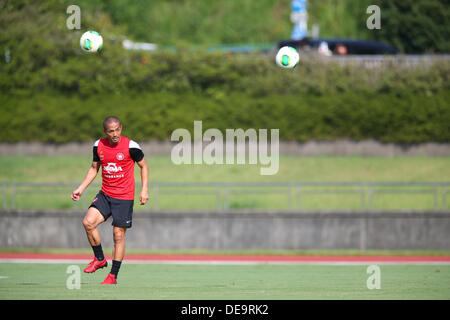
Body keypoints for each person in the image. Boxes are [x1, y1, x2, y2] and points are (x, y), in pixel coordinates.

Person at [71, 116, 149, 284]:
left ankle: (113, 275)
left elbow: (144, 166)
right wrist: (80, 188)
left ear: (121, 128)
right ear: (105, 132)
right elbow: (94, 169)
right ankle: (99, 259)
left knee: (118, 235)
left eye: (118, 130)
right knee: (88, 222)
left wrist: (144, 190)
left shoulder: (131, 146)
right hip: (106, 194)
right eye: (111, 131)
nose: (115, 134)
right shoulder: (98, 145)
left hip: (124, 197)